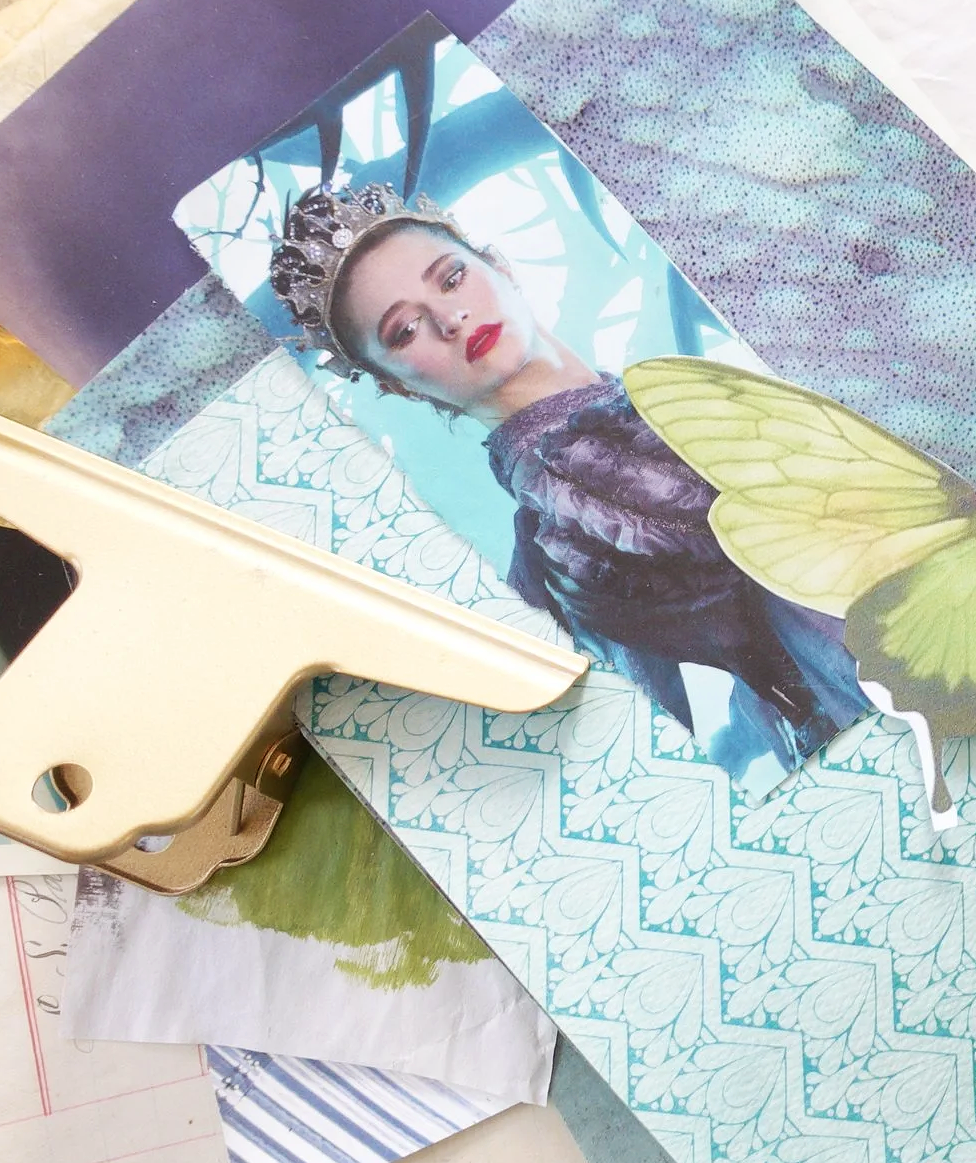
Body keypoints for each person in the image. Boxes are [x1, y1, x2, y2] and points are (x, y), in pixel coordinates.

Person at [268, 180, 869, 770]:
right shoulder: (553, 540)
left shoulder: (667, 391)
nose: (449, 317)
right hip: (863, 693)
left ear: (497, 264)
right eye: (404, 329)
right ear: (396, 383)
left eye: (452, 277)